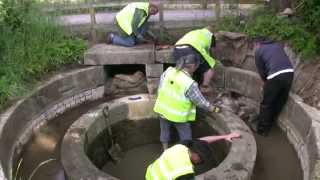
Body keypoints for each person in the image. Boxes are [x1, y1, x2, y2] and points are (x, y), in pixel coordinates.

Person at [153, 54, 221, 150]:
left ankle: (165, 150)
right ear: (193, 66)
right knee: (186, 138)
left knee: (164, 132)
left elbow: (160, 88)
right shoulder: (189, 83)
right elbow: (200, 102)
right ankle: (186, 153)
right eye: (197, 66)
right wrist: (213, 108)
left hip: (162, 110)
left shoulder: (168, 71)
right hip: (179, 116)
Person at [145, 133, 241, 180]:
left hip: (150, 173)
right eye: (201, 160)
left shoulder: (181, 146)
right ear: (196, 156)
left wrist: (225, 136)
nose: (200, 163)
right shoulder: (185, 172)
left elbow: (203, 140)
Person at [250, 37, 294, 137]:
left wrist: (266, 83)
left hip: (275, 76)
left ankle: (262, 130)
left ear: (257, 44)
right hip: (290, 73)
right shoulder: (277, 45)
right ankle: (271, 123)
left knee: (267, 103)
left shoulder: (258, 50)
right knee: (280, 101)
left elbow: (262, 71)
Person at [173, 27, 217, 93]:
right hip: (191, 49)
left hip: (177, 49)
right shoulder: (210, 35)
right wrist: (212, 61)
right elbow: (212, 51)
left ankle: (181, 88)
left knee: (184, 70)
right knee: (209, 69)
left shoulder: (196, 32)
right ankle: (204, 88)